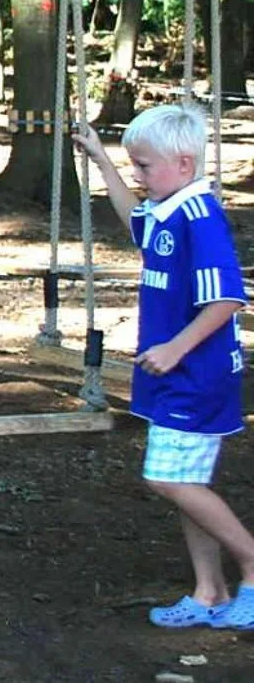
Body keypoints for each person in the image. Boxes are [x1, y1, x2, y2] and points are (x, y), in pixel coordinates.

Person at [74, 105, 254, 629]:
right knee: (186, 480)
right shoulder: (166, 208)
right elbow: (134, 219)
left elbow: (226, 299)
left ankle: (250, 561)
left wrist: (176, 348)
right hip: (170, 373)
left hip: (197, 374)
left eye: (144, 166)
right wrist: (103, 163)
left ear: (182, 162)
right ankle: (209, 590)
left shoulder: (199, 216)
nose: (138, 175)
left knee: (168, 478)